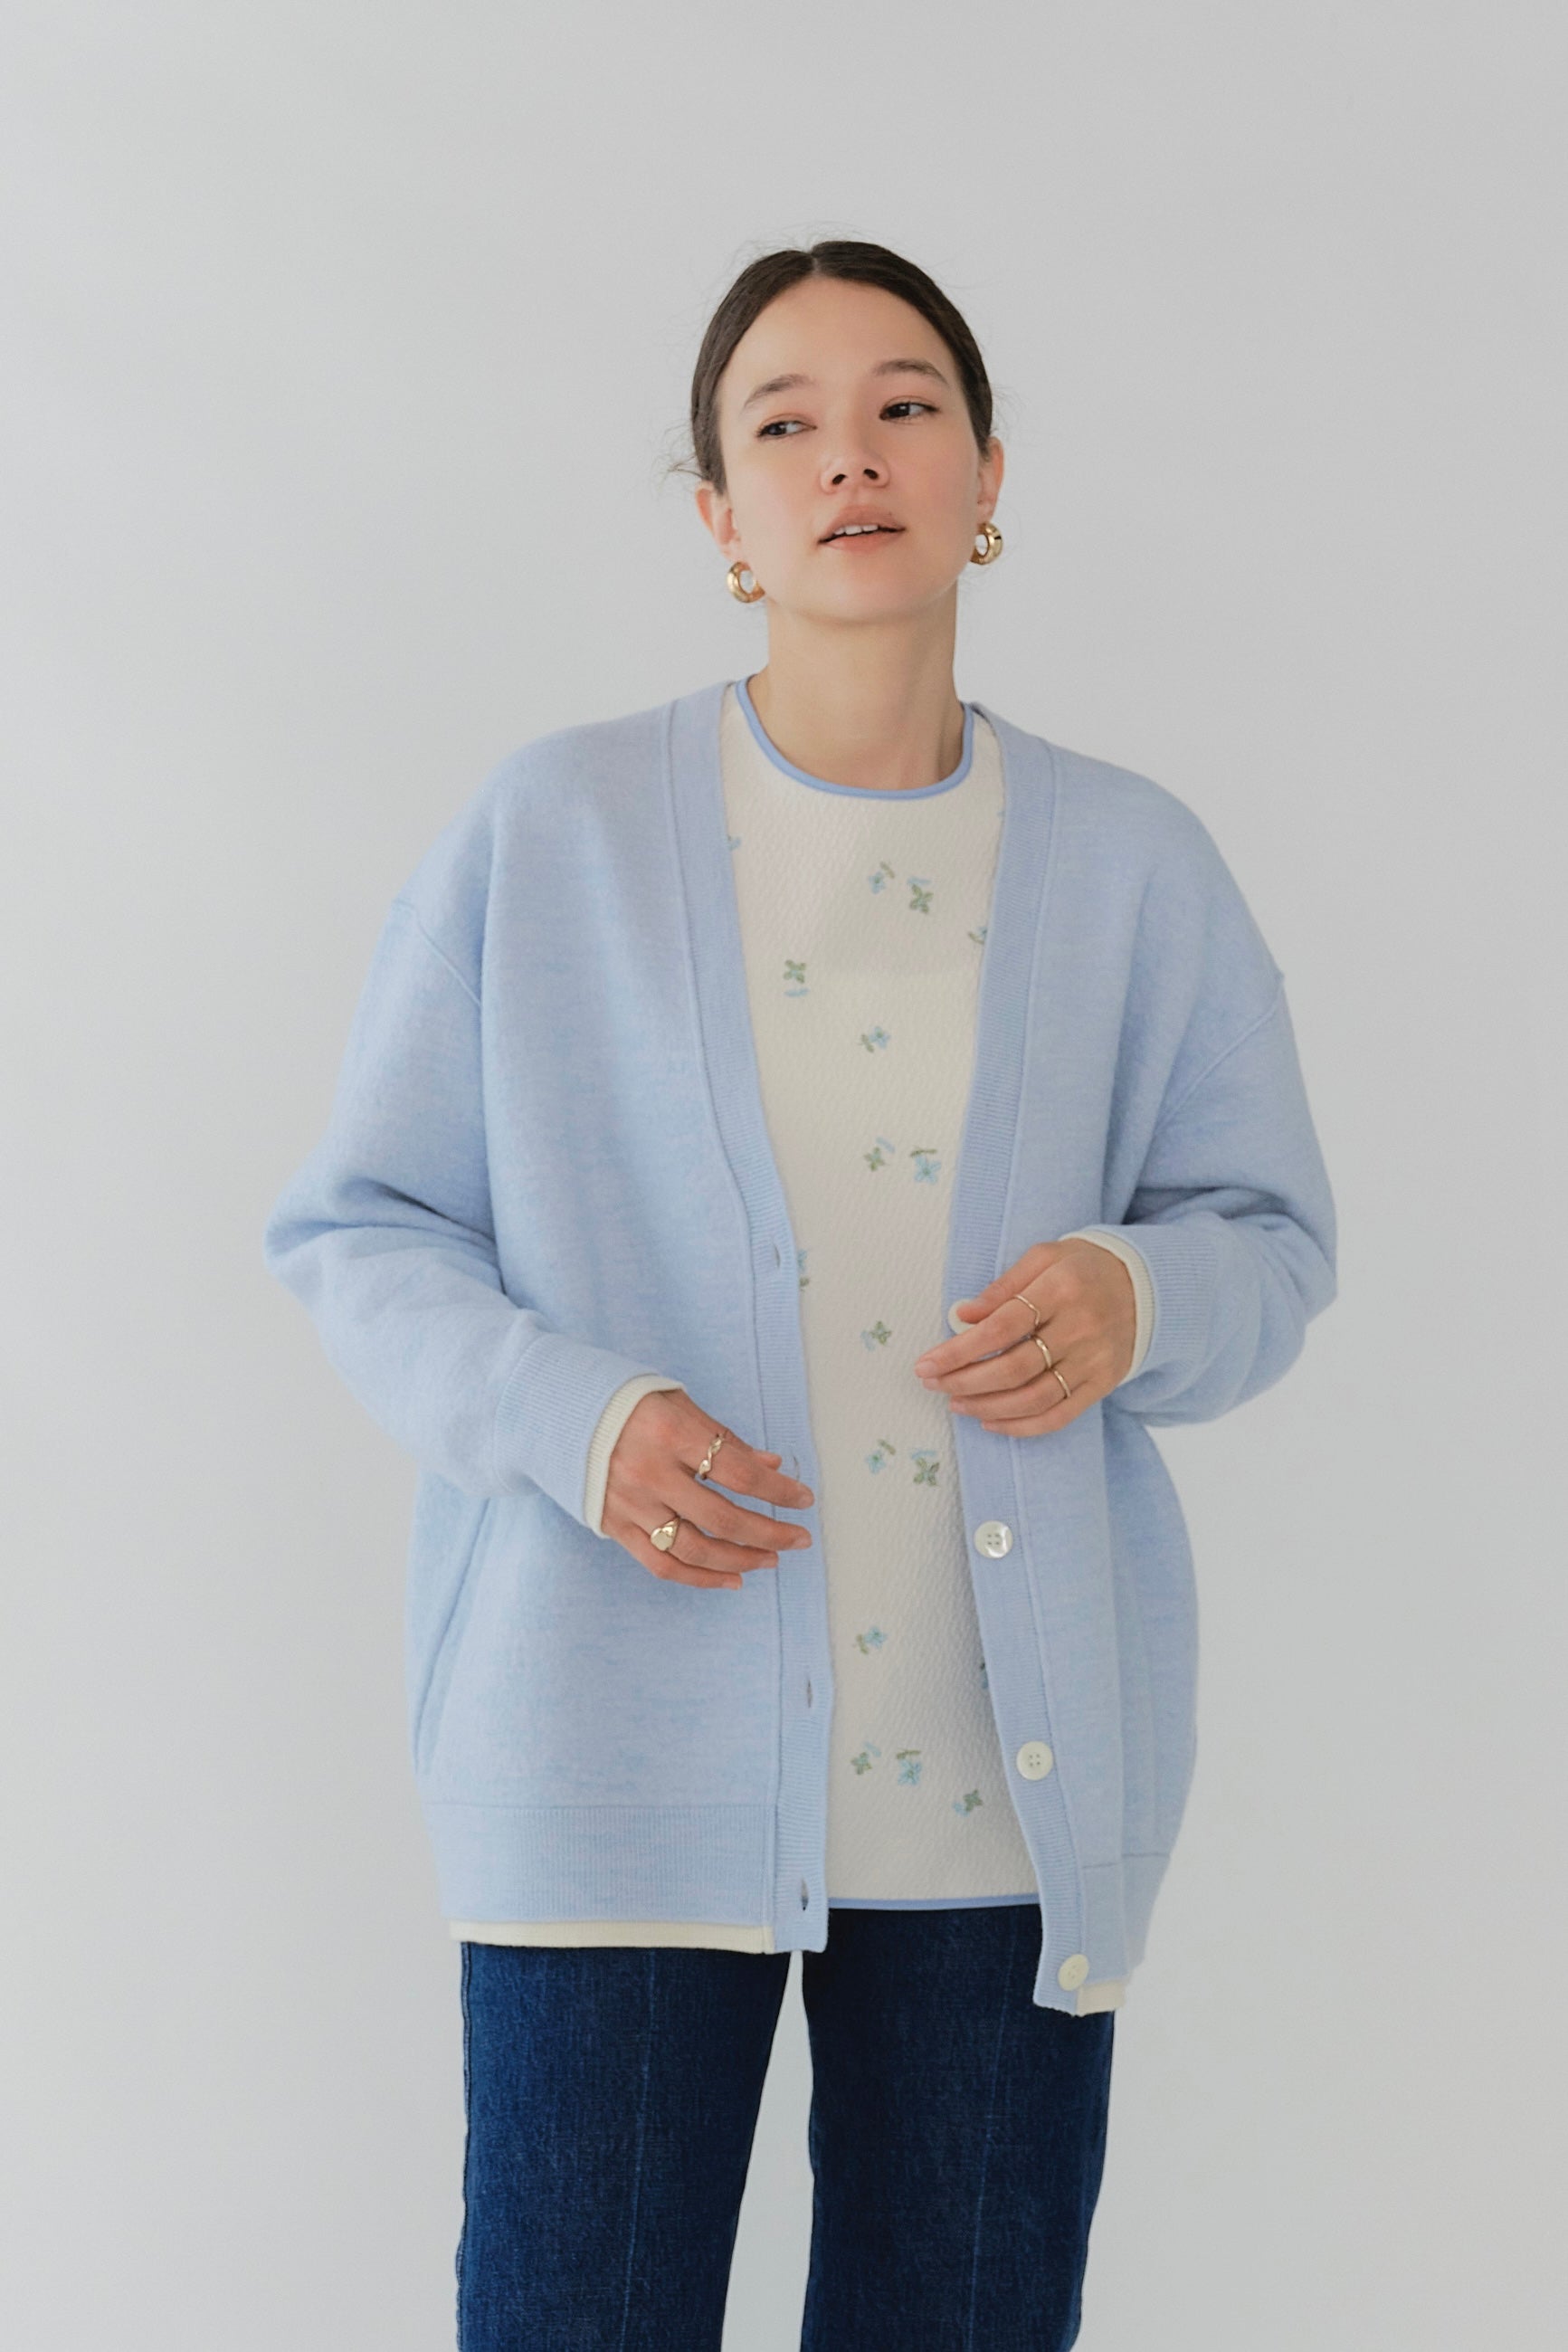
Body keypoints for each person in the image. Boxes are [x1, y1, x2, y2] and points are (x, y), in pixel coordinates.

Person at [262, 238, 1337, 2349]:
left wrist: (1137, 1292)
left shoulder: (1135, 864)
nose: (852, 453)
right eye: (785, 422)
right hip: (613, 1764)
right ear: (720, 519)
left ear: (988, 477)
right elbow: (359, 1228)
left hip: (1008, 1798)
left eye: (906, 405)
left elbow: (1270, 1237)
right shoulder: (554, 831)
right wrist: (578, 1421)